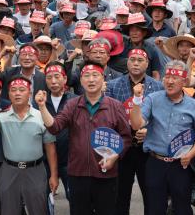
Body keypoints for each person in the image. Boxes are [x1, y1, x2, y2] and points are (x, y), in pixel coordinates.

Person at [35, 61, 132, 215]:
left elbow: (126, 138)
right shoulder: (73, 105)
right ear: (80, 80)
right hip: (77, 174)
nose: (91, 80)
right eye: (86, 76)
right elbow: (54, 127)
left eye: (95, 75)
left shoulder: (115, 106)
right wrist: (41, 106)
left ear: (103, 78)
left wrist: (115, 156)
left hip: (106, 173)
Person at [129, 60, 195, 215]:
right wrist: (137, 100)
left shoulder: (194, 106)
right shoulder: (152, 99)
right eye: (167, 76)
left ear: (184, 81)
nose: (170, 81)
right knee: (154, 208)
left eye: (175, 77)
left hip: (181, 165)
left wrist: (190, 154)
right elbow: (136, 125)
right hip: (155, 162)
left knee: (182, 207)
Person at [0, 76, 59, 215]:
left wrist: (54, 175)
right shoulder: (2, 117)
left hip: (36, 170)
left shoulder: (41, 116)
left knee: (39, 209)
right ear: (8, 94)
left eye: (22, 90)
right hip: (9, 170)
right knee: (9, 210)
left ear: (29, 93)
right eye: (13, 90)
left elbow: (50, 148)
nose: (17, 93)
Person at [106, 48, 164, 215]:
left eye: (140, 60)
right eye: (133, 60)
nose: (136, 63)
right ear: (127, 63)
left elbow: (161, 116)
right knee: (120, 195)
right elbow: (110, 116)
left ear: (147, 64)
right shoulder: (112, 86)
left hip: (149, 148)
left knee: (151, 194)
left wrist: (148, 130)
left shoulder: (158, 86)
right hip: (122, 149)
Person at [34, 61, 78, 214]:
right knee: (43, 201)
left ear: (65, 79)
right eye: (49, 77)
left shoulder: (76, 100)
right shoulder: (38, 102)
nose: (53, 81)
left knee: (76, 200)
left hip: (70, 160)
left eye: (57, 77)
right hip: (44, 161)